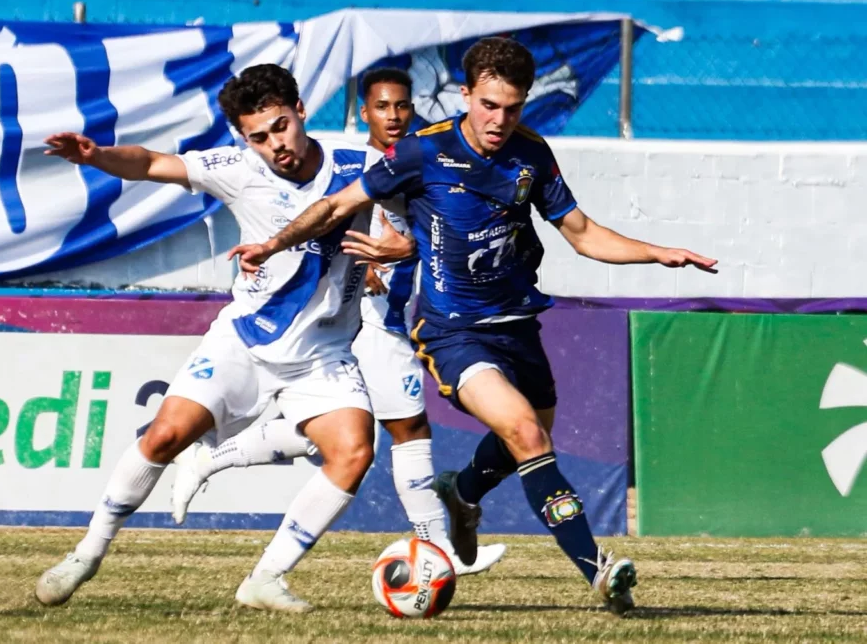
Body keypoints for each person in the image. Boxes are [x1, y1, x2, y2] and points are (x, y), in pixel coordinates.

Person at [228, 38, 718, 615]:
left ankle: (462, 494)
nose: (499, 120)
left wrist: (656, 253)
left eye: (512, 108)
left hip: (518, 324)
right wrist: (273, 242)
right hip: (453, 332)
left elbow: (582, 234)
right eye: (489, 105)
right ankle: (599, 571)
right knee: (530, 437)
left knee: (522, 442)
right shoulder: (421, 152)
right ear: (466, 95)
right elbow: (339, 204)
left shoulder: (531, 154)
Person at [34, 63, 383, 614]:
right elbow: (150, 163)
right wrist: (95, 155)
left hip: (322, 352)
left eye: (281, 126)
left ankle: (265, 579)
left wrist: (397, 251)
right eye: (259, 137)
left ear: (300, 112)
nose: (275, 145)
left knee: (354, 451)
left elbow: (419, 216)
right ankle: (86, 553)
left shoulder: (360, 166)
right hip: (244, 341)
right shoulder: (237, 168)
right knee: (165, 436)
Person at [170, 67, 506, 575]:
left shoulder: (406, 162)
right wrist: (368, 260)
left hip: (392, 317)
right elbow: (329, 220)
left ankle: (212, 458)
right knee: (405, 429)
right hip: (364, 320)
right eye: (382, 107)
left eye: (402, 106)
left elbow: (415, 224)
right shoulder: (355, 165)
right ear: (363, 113)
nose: (393, 116)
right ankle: (441, 552)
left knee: (337, 434)